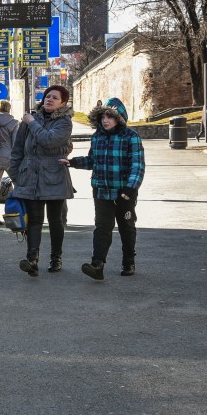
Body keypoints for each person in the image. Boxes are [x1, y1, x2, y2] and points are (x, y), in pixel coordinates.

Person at [62, 98, 146, 280]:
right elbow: (93, 161)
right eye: (103, 117)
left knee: (126, 227)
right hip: (101, 191)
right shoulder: (97, 137)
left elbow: (137, 166)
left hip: (124, 193)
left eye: (110, 117)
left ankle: (129, 262)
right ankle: (97, 264)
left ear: (119, 118)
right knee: (102, 228)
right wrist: (74, 162)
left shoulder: (131, 137)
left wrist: (129, 190)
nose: (105, 120)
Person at [8, 85, 75, 276]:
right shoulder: (30, 120)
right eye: (47, 96)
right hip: (30, 177)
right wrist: (16, 176)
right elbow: (17, 150)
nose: (49, 99)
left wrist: (31, 123)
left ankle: (56, 258)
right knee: (34, 221)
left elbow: (49, 140)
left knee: (56, 221)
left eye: (55, 98)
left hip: (54, 176)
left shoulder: (64, 122)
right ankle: (32, 259)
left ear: (63, 103)